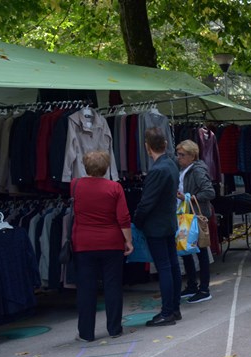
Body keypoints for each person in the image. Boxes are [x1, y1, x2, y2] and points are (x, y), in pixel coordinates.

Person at [72, 151, 133, 342]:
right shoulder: (114, 187)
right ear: (106, 167)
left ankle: (86, 332)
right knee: (112, 286)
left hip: (84, 243)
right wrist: (128, 241)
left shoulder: (75, 185)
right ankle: (114, 328)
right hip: (111, 242)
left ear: (85, 166)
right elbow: (123, 217)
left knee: (86, 288)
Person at [133, 127, 181, 327]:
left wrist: (137, 220)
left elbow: (147, 202)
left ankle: (167, 311)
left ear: (147, 147)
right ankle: (174, 309)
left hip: (156, 225)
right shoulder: (170, 164)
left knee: (164, 267)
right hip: (168, 221)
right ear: (166, 144)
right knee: (171, 265)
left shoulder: (158, 170)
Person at [176, 140, 216, 304]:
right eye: (178, 154)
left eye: (182, 155)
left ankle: (204, 288)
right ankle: (192, 285)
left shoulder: (197, 170)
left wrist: (188, 197)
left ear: (192, 155)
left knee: (200, 250)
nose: (179, 158)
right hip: (186, 215)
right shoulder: (186, 169)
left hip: (196, 216)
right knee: (186, 250)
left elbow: (209, 191)